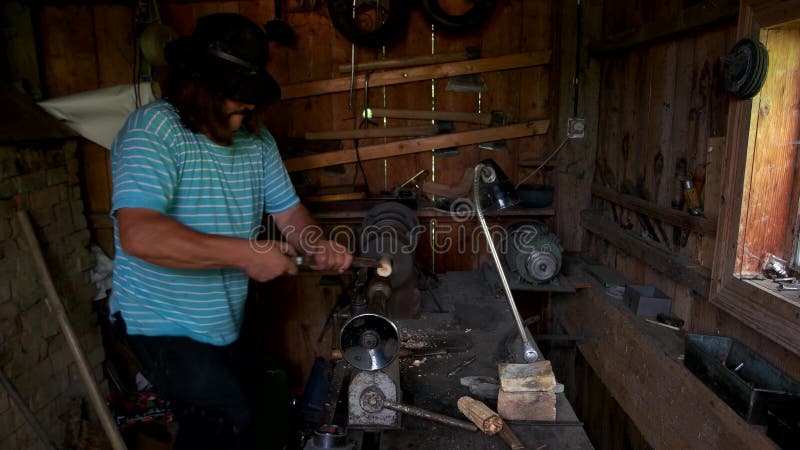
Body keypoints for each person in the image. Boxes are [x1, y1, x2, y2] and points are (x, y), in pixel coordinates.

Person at [109, 13, 352, 449]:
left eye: (248, 103)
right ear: (198, 87)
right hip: (159, 320)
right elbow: (140, 234)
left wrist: (313, 245)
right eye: (235, 103)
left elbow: (290, 212)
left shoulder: (257, 142)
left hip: (222, 322)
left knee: (247, 418)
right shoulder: (154, 131)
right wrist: (244, 253)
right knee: (223, 419)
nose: (243, 115)